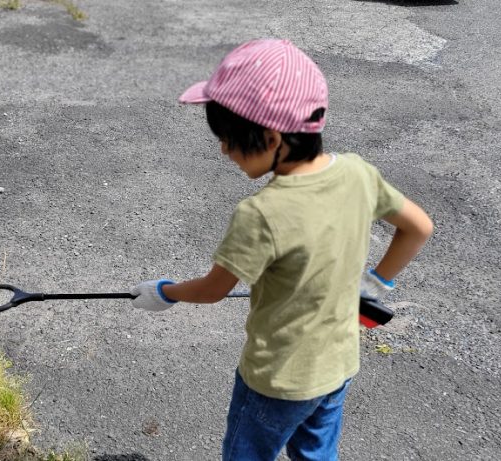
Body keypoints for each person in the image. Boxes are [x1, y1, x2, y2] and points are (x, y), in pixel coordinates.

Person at [130, 39, 434, 461]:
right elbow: (419, 227)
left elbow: (213, 289)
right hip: (337, 367)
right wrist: (374, 285)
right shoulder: (359, 174)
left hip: (277, 381)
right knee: (316, 455)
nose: (223, 150)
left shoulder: (261, 213)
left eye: (230, 139)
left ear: (272, 138)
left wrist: (164, 291)